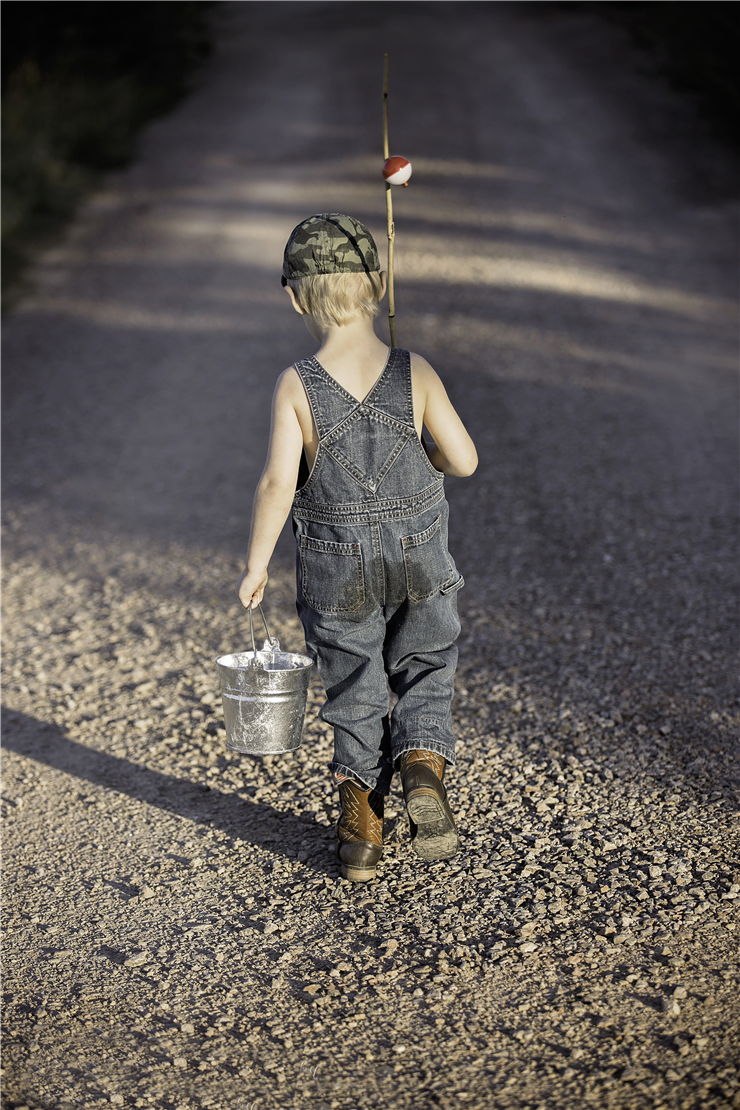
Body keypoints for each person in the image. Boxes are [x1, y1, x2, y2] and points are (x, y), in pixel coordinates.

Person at [237, 213, 478, 882]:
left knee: (353, 682)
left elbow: (278, 483)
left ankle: (361, 830)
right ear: (379, 283)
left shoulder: (296, 383)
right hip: (420, 556)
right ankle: (422, 768)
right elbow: (464, 459)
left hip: (335, 564)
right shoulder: (415, 370)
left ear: (293, 296)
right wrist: (419, 455)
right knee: (427, 660)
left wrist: (257, 565)